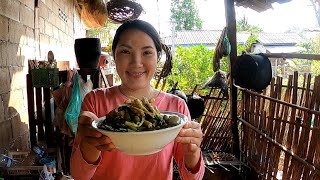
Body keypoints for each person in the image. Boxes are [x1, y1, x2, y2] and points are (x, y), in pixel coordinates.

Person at [70, 19, 205, 180]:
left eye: (147, 52)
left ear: (158, 57)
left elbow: (193, 177)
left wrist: (193, 151)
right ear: (114, 56)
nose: (136, 62)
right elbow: (78, 175)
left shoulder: (176, 107)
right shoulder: (95, 101)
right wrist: (90, 144)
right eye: (126, 52)